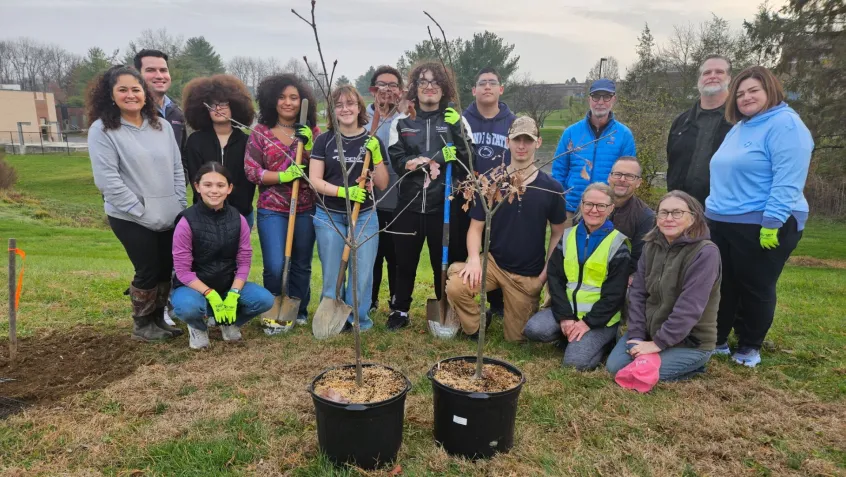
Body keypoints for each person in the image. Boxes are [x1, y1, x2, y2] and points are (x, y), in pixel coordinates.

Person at [706, 66, 813, 367]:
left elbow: (788, 180)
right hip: (723, 220)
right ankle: (718, 339)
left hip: (762, 221)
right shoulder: (740, 127)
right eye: (740, 93)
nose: (746, 97)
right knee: (723, 283)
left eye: (753, 90)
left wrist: (772, 222)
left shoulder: (786, 125)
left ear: (770, 90)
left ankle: (750, 346)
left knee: (755, 285)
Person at [87, 65, 186, 341]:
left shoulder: (161, 126)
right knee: (148, 268)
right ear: (110, 95)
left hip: (168, 212)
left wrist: (179, 204)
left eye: (136, 89)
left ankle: (158, 319)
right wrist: (139, 209)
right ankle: (142, 325)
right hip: (130, 216)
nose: (130, 95)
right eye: (123, 90)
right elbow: (107, 180)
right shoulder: (103, 130)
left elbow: (177, 168)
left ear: (145, 94)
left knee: (166, 267)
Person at [446, 117, 566, 341]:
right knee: (456, 285)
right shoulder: (491, 181)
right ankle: (476, 324)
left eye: (527, 140)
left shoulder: (551, 188)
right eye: (516, 139)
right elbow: (475, 228)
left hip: (527, 275)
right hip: (493, 263)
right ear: (507, 142)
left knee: (517, 339)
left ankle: (518, 316)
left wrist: (543, 276)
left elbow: (559, 233)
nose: (521, 145)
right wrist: (474, 259)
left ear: (537, 142)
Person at [386, 61, 472, 330]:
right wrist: (435, 158)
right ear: (415, 87)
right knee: (404, 261)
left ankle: (446, 307)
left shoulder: (457, 119)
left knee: (442, 260)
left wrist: (456, 131)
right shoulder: (402, 121)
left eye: (436, 82)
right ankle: (400, 309)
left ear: (444, 88)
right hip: (409, 205)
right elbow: (399, 162)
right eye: (423, 82)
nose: (429, 87)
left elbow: (469, 163)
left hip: (443, 204)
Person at [606, 191, 722, 382]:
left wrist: (658, 343)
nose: (669, 218)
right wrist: (636, 334)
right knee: (615, 367)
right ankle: (654, 357)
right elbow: (638, 294)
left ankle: (695, 363)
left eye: (677, 213)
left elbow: (689, 306)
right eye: (663, 212)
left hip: (689, 342)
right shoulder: (650, 246)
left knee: (637, 374)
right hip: (648, 332)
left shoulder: (705, 253)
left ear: (692, 218)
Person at [523, 183, 630, 370]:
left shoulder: (618, 244)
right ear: (581, 205)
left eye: (601, 206)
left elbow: (615, 294)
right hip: (567, 311)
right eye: (588, 204)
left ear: (611, 208)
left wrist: (587, 323)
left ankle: (603, 342)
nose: (593, 210)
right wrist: (565, 317)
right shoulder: (567, 236)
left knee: (574, 363)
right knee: (533, 330)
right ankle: (569, 335)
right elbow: (555, 279)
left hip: (600, 319)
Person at [244, 73, 320, 334]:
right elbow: (251, 170)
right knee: (275, 264)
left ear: (303, 101)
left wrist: (309, 145)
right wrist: (281, 176)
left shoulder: (313, 133)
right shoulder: (260, 133)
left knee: (301, 262)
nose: (287, 102)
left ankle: (298, 308)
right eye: (281, 97)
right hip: (271, 209)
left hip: (305, 208)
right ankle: (272, 304)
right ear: (271, 100)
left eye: (294, 98)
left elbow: (324, 169)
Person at [310, 85, 390, 332]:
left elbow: (383, 183)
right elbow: (315, 180)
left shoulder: (372, 141)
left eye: (350, 103)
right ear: (332, 111)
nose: (345, 109)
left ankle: (359, 320)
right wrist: (344, 191)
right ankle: (332, 318)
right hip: (329, 215)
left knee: (362, 273)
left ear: (359, 107)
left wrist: (376, 156)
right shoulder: (324, 140)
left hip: (364, 215)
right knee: (334, 270)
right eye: (339, 105)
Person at [171, 163, 274, 349]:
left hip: (227, 285)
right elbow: (182, 271)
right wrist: (210, 294)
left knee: (264, 300)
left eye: (220, 185)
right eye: (207, 185)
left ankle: (228, 322)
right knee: (187, 307)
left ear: (229, 188)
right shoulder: (186, 221)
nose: (214, 191)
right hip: (193, 287)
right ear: (197, 187)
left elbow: (244, 262)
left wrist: (234, 293)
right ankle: (198, 327)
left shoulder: (239, 219)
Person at [461, 66, 517, 317]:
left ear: (500, 89)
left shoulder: (512, 122)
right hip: (468, 194)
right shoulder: (463, 120)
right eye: (482, 83)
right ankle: (466, 300)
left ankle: (497, 303)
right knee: (467, 247)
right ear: (473, 90)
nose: (487, 87)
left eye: (492, 83)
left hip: (501, 196)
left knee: (498, 248)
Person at [551, 79, 636, 222]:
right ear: (589, 99)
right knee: (566, 245)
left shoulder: (624, 135)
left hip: (606, 212)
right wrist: (561, 201)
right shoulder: (571, 133)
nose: (600, 102)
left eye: (606, 96)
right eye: (596, 96)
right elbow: (559, 171)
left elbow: (628, 176)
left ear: (613, 99)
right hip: (572, 209)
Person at [182, 74, 257, 228]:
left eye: (224, 103)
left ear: (235, 105)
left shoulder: (247, 142)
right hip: (204, 217)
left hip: (241, 216)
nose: (218, 108)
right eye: (212, 104)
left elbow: (248, 182)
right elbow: (196, 181)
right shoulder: (195, 141)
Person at [666, 55, 734, 206]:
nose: (712, 76)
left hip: (724, 212)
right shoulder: (681, 122)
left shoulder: (740, 121)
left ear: (729, 78)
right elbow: (672, 163)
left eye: (719, 72)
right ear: (699, 80)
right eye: (707, 72)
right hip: (682, 209)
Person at [366, 66, 403, 314]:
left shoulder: (407, 118)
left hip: (399, 195)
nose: (387, 90)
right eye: (382, 85)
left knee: (396, 253)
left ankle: (396, 302)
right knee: (371, 254)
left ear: (400, 91)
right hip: (368, 197)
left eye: (392, 85)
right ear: (373, 90)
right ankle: (369, 300)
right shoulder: (362, 117)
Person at [607, 157, 655, 277]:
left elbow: (637, 260)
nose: (622, 179)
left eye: (629, 176)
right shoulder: (590, 204)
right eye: (617, 174)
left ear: (639, 182)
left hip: (619, 278)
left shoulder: (645, 216)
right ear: (609, 177)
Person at [134, 49, 186, 152]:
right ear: (137, 75)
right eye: (150, 70)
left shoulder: (177, 113)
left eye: (163, 70)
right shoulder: (132, 113)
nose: (159, 76)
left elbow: (183, 155)